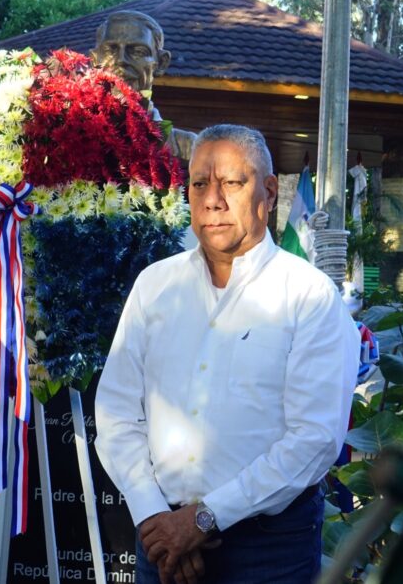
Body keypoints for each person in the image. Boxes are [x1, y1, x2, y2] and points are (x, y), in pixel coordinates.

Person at [95, 124, 360, 584]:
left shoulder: (308, 296)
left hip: (267, 550)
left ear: (269, 192)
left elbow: (314, 439)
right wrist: (155, 517)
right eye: (200, 183)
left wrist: (203, 519)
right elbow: (116, 412)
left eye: (232, 183)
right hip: (160, 541)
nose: (213, 200)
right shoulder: (155, 286)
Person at [91, 11, 196, 161]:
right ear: (94, 60)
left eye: (137, 51)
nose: (120, 60)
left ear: (161, 63)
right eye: (110, 50)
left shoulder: (192, 149)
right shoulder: (65, 143)